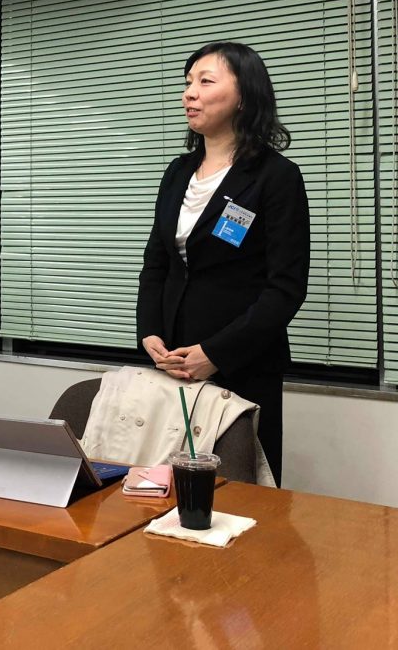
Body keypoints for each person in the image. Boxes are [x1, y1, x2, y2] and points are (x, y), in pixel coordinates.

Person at [136, 41, 309, 486]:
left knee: (240, 493)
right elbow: (157, 263)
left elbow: (285, 288)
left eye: (205, 81)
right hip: (173, 363)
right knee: (166, 489)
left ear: (244, 96)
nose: (189, 93)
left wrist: (215, 354)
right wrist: (150, 333)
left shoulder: (276, 176)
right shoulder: (177, 172)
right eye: (187, 82)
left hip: (243, 366)